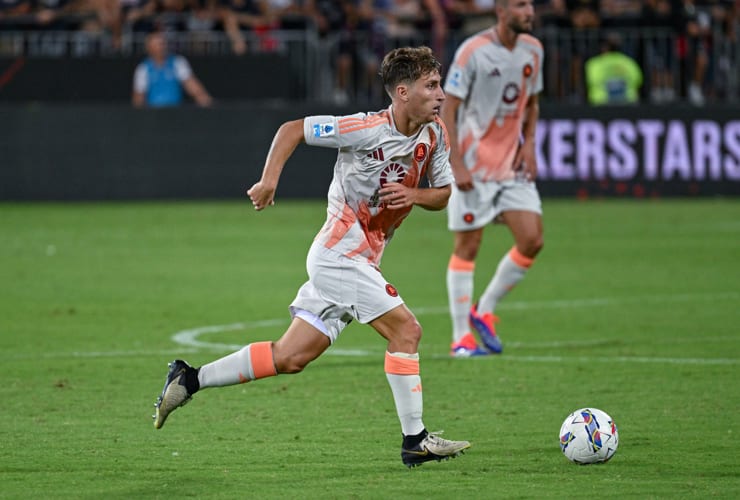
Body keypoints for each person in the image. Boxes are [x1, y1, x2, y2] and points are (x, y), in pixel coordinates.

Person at [152, 46, 471, 468]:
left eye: (439, 84)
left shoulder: (434, 135)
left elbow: (445, 194)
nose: (441, 94)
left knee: (291, 356)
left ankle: (190, 378)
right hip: (338, 256)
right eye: (430, 86)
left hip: (363, 258)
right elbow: (292, 129)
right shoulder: (363, 128)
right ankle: (415, 440)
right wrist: (269, 182)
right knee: (406, 331)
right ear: (402, 91)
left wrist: (414, 194)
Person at [441, 0, 544, 357]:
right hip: (474, 165)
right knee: (468, 247)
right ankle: (460, 339)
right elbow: (447, 107)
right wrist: (456, 163)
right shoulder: (473, 52)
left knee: (532, 239)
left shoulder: (534, 50)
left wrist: (529, 144)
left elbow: (532, 103)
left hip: (511, 166)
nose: (529, 11)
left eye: (531, 5)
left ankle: (483, 308)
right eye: (521, 5)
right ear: (501, 11)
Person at [131, 31, 213, 108]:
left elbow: (192, 86)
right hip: (153, 114)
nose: (161, 47)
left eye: (163, 44)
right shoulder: (143, 68)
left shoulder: (178, 62)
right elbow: (139, 97)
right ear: (149, 48)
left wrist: (206, 102)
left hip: (175, 112)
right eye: (158, 45)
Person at [585, 31, 643, 105]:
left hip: (601, 104)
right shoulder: (629, 62)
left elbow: (592, 81)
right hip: (627, 103)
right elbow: (637, 81)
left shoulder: (595, 63)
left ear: (604, 47)